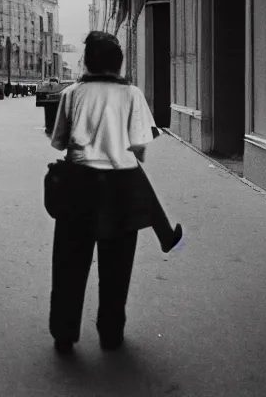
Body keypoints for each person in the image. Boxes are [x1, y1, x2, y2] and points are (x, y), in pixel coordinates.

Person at [48, 31, 182, 355]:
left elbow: (60, 141)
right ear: (118, 63)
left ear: (88, 62)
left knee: (69, 263)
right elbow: (139, 147)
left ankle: (64, 333)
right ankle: (110, 334)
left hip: (78, 186)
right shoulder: (132, 94)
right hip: (121, 191)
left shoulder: (71, 93)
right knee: (116, 267)